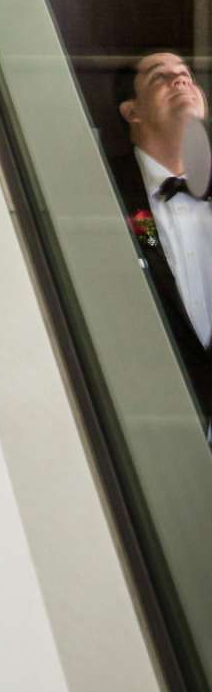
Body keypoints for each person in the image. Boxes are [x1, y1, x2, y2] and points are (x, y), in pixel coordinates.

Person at [116, 48, 212, 416]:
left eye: (186, 73)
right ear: (132, 111)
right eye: (160, 76)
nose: (181, 80)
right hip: (153, 413)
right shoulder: (103, 189)